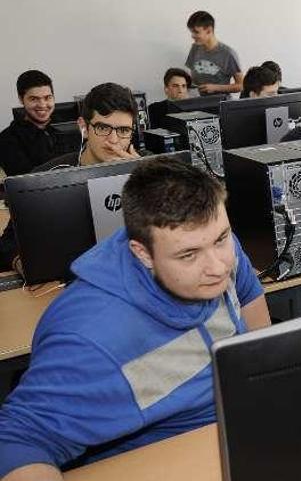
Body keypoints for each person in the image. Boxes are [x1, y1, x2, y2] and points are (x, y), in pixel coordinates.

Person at [0, 156, 270, 480]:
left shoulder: (212, 240)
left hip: (240, 436)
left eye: (221, 239)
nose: (218, 266)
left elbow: (256, 328)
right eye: (188, 255)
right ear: (142, 253)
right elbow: (16, 441)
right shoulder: (89, 338)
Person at [0, 82, 142, 271]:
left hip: (131, 275)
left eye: (124, 130)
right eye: (102, 127)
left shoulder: (145, 171)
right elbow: (8, 245)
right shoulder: (47, 176)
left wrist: (143, 177)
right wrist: (26, 268)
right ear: (84, 126)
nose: (114, 140)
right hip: (65, 283)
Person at [0, 70, 64, 176]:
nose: (42, 105)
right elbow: (26, 183)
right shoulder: (7, 139)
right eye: (34, 99)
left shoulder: (59, 132)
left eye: (48, 97)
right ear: (21, 99)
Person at [184, 11, 243, 95]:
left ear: (209, 30)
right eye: (191, 32)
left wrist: (216, 88)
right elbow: (192, 77)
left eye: (196, 32)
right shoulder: (195, 48)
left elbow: (241, 85)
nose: (192, 36)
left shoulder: (228, 54)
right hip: (197, 102)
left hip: (219, 104)